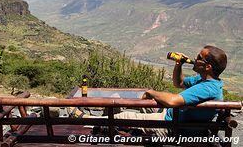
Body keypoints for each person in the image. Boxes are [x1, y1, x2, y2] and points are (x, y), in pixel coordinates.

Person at [72, 45, 227, 137]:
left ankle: (85, 119)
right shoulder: (203, 80)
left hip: (171, 125)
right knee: (137, 103)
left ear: (208, 67)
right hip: (173, 117)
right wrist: (179, 64)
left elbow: (173, 101)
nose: (195, 58)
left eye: (199, 57)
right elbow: (178, 83)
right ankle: (109, 122)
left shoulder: (207, 88)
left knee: (126, 116)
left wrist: (152, 92)